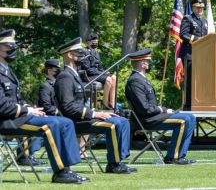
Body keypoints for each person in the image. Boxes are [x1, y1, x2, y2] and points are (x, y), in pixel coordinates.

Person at [0, 29, 87, 183]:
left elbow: (14, 100)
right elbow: (2, 106)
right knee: (51, 124)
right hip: (7, 121)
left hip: (18, 117)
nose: (13, 49)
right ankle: (60, 172)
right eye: (8, 47)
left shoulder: (8, 71)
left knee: (65, 122)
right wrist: (28, 110)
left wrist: (30, 109)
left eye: (13, 46)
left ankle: (67, 168)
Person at [54, 37, 135, 174]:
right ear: (69, 55)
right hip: (75, 121)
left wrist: (94, 112)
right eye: (78, 53)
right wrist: (94, 114)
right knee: (114, 124)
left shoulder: (74, 76)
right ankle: (114, 164)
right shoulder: (65, 77)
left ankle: (119, 158)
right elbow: (68, 108)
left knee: (122, 120)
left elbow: (78, 104)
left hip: (83, 117)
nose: (82, 55)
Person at [125, 49, 196, 164]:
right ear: (143, 64)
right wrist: (162, 110)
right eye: (148, 61)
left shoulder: (141, 79)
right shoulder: (135, 81)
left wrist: (162, 110)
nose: (150, 63)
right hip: (146, 120)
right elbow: (144, 109)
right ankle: (173, 157)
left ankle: (180, 155)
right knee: (184, 120)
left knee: (191, 118)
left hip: (152, 116)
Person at [179, 0, 208, 110]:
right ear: (193, 8)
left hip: (201, 56)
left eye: (201, 8)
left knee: (200, 81)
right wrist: (198, 39)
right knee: (190, 80)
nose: (200, 9)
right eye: (198, 7)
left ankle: (199, 103)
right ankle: (188, 105)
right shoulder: (188, 18)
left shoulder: (205, 22)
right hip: (189, 54)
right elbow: (183, 34)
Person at [80, 33, 116, 109]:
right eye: (93, 41)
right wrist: (102, 73)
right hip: (89, 76)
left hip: (97, 74)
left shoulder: (96, 53)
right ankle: (105, 103)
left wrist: (106, 72)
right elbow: (89, 70)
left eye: (96, 42)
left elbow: (99, 67)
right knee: (108, 79)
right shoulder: (84, 52)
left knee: (113, 77)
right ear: (88, 42)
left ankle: (112, 104)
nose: (95, 43)